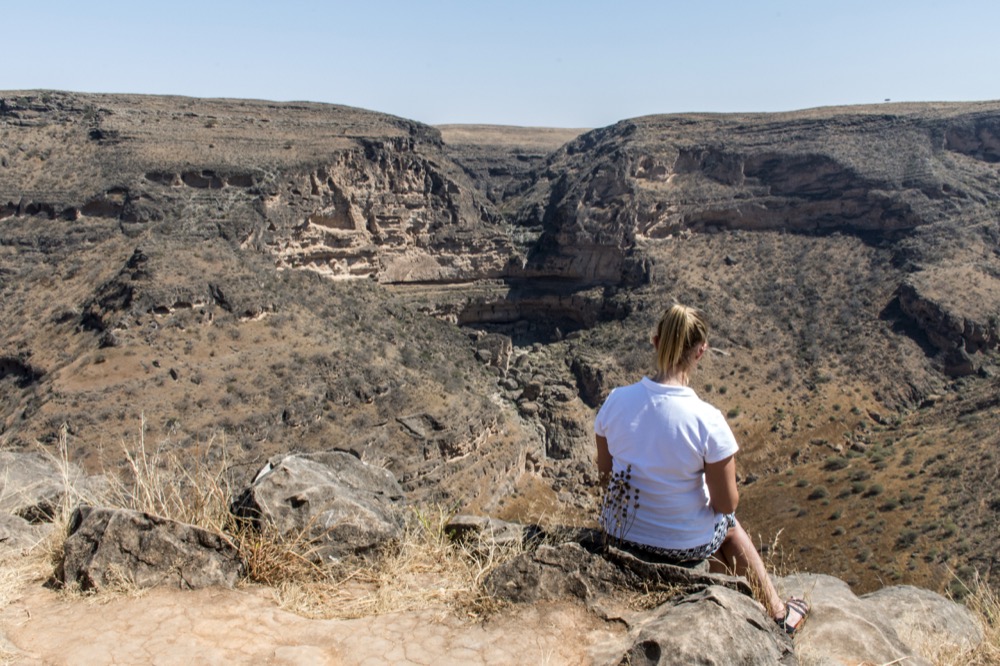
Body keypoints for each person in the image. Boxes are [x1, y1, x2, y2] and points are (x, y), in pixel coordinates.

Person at [594, 304, 808, 634]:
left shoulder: (615, 401)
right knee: (730, 527)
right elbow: (726, 505)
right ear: (701, 351)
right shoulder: (707, 419)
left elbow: (608, 478)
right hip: (679, 549)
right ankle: (780, 615)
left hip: (620, 536)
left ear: (655, 342)